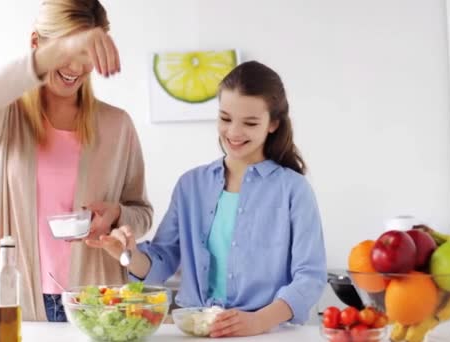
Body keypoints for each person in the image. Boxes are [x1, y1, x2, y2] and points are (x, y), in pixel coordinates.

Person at [88, 61, 327, 337]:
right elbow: (164, 259)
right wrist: (128, 255)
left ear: (273, 123)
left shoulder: (293, 190)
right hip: (198, 331)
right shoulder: (191, 185)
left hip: (266, 334)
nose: (234, 133)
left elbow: (309, 277)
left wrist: (257, 321)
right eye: (225, 118)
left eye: (250, 123)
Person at [0, 0, 152, 322]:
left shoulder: (117, 125)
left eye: (86, 55)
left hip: (98, 302)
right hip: (19, 299)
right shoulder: (7, 119)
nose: (76, 68)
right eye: (66, 53)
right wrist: (57, 51)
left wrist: (117, 214)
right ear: (36, 44)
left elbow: (141, 212)